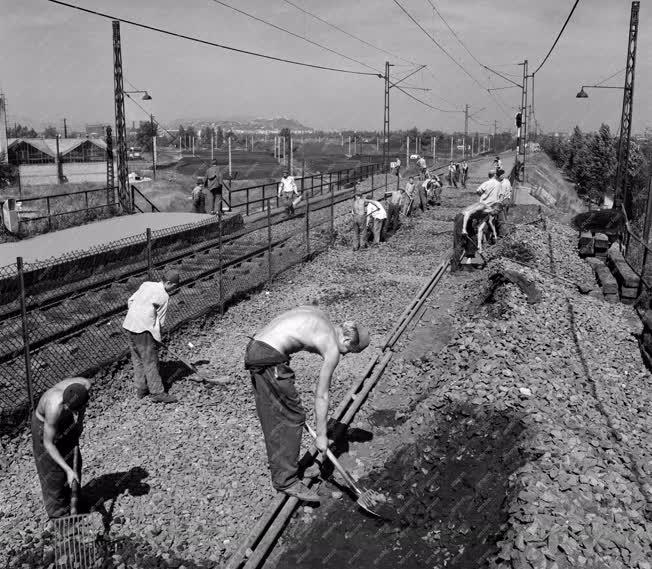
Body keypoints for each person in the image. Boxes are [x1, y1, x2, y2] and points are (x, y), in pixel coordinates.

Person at [244, 306, 370, 502]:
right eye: (348, 351)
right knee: (291, 417)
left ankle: (291, 468)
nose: (343, 355)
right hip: (268, 357)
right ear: (345, 340)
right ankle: (286, 480)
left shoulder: (324, 318)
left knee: (283, 413)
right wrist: (321, 436)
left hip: (259, 347)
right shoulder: (332, 347)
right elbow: (322, 395)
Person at [32, 377, 91, 519]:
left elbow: (82, 406)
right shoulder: (54, 408)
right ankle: (59, 516)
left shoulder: (84, 386)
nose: (66, 408)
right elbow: (49, 444)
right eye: (66, 407)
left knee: (73, 460)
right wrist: (67, 470)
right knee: (54, 473)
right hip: (44, 427)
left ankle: (74, 502)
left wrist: (80, 423)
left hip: (65, 421)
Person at [122, 271, 181, 403]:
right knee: (150, 362)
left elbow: (130, 300)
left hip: (130, 325)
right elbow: (160, 321)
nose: (174, 289)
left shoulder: (146, 284)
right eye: (174, 286)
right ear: (169, 283)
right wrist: (157, 338)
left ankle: (141, 389)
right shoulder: (164, 296)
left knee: (137, 359)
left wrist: (137, 316)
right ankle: (157, 392)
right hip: (144, 330)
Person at [451, 202, 492, 271]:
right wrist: (464, 229)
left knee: (473, 240)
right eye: (497, 211)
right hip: (462, 219)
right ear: (494, 209)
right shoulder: (481, 207)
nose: (497, 214)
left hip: (469, 221)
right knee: (460, 244)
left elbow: (480, 229)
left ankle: (467, 264)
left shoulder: (487, 214)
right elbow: (467, 213)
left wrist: (479, 245)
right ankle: (455, 268)